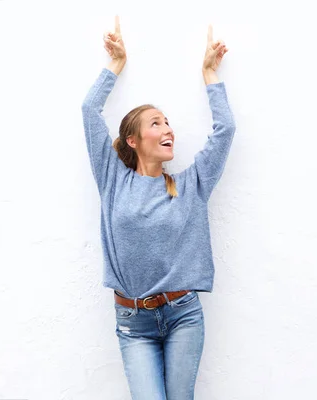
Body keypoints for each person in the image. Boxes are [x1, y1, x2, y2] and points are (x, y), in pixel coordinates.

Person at [81, 15, 236, 400]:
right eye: (156, 123)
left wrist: (209, 74)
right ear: (132, 140)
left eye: (168, 122)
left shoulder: (191, 184)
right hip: (133, 321)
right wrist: (114, 65)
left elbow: (226, 130)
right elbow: (88, 111)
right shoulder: (112, 178)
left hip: (183, 314)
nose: (167, 129)